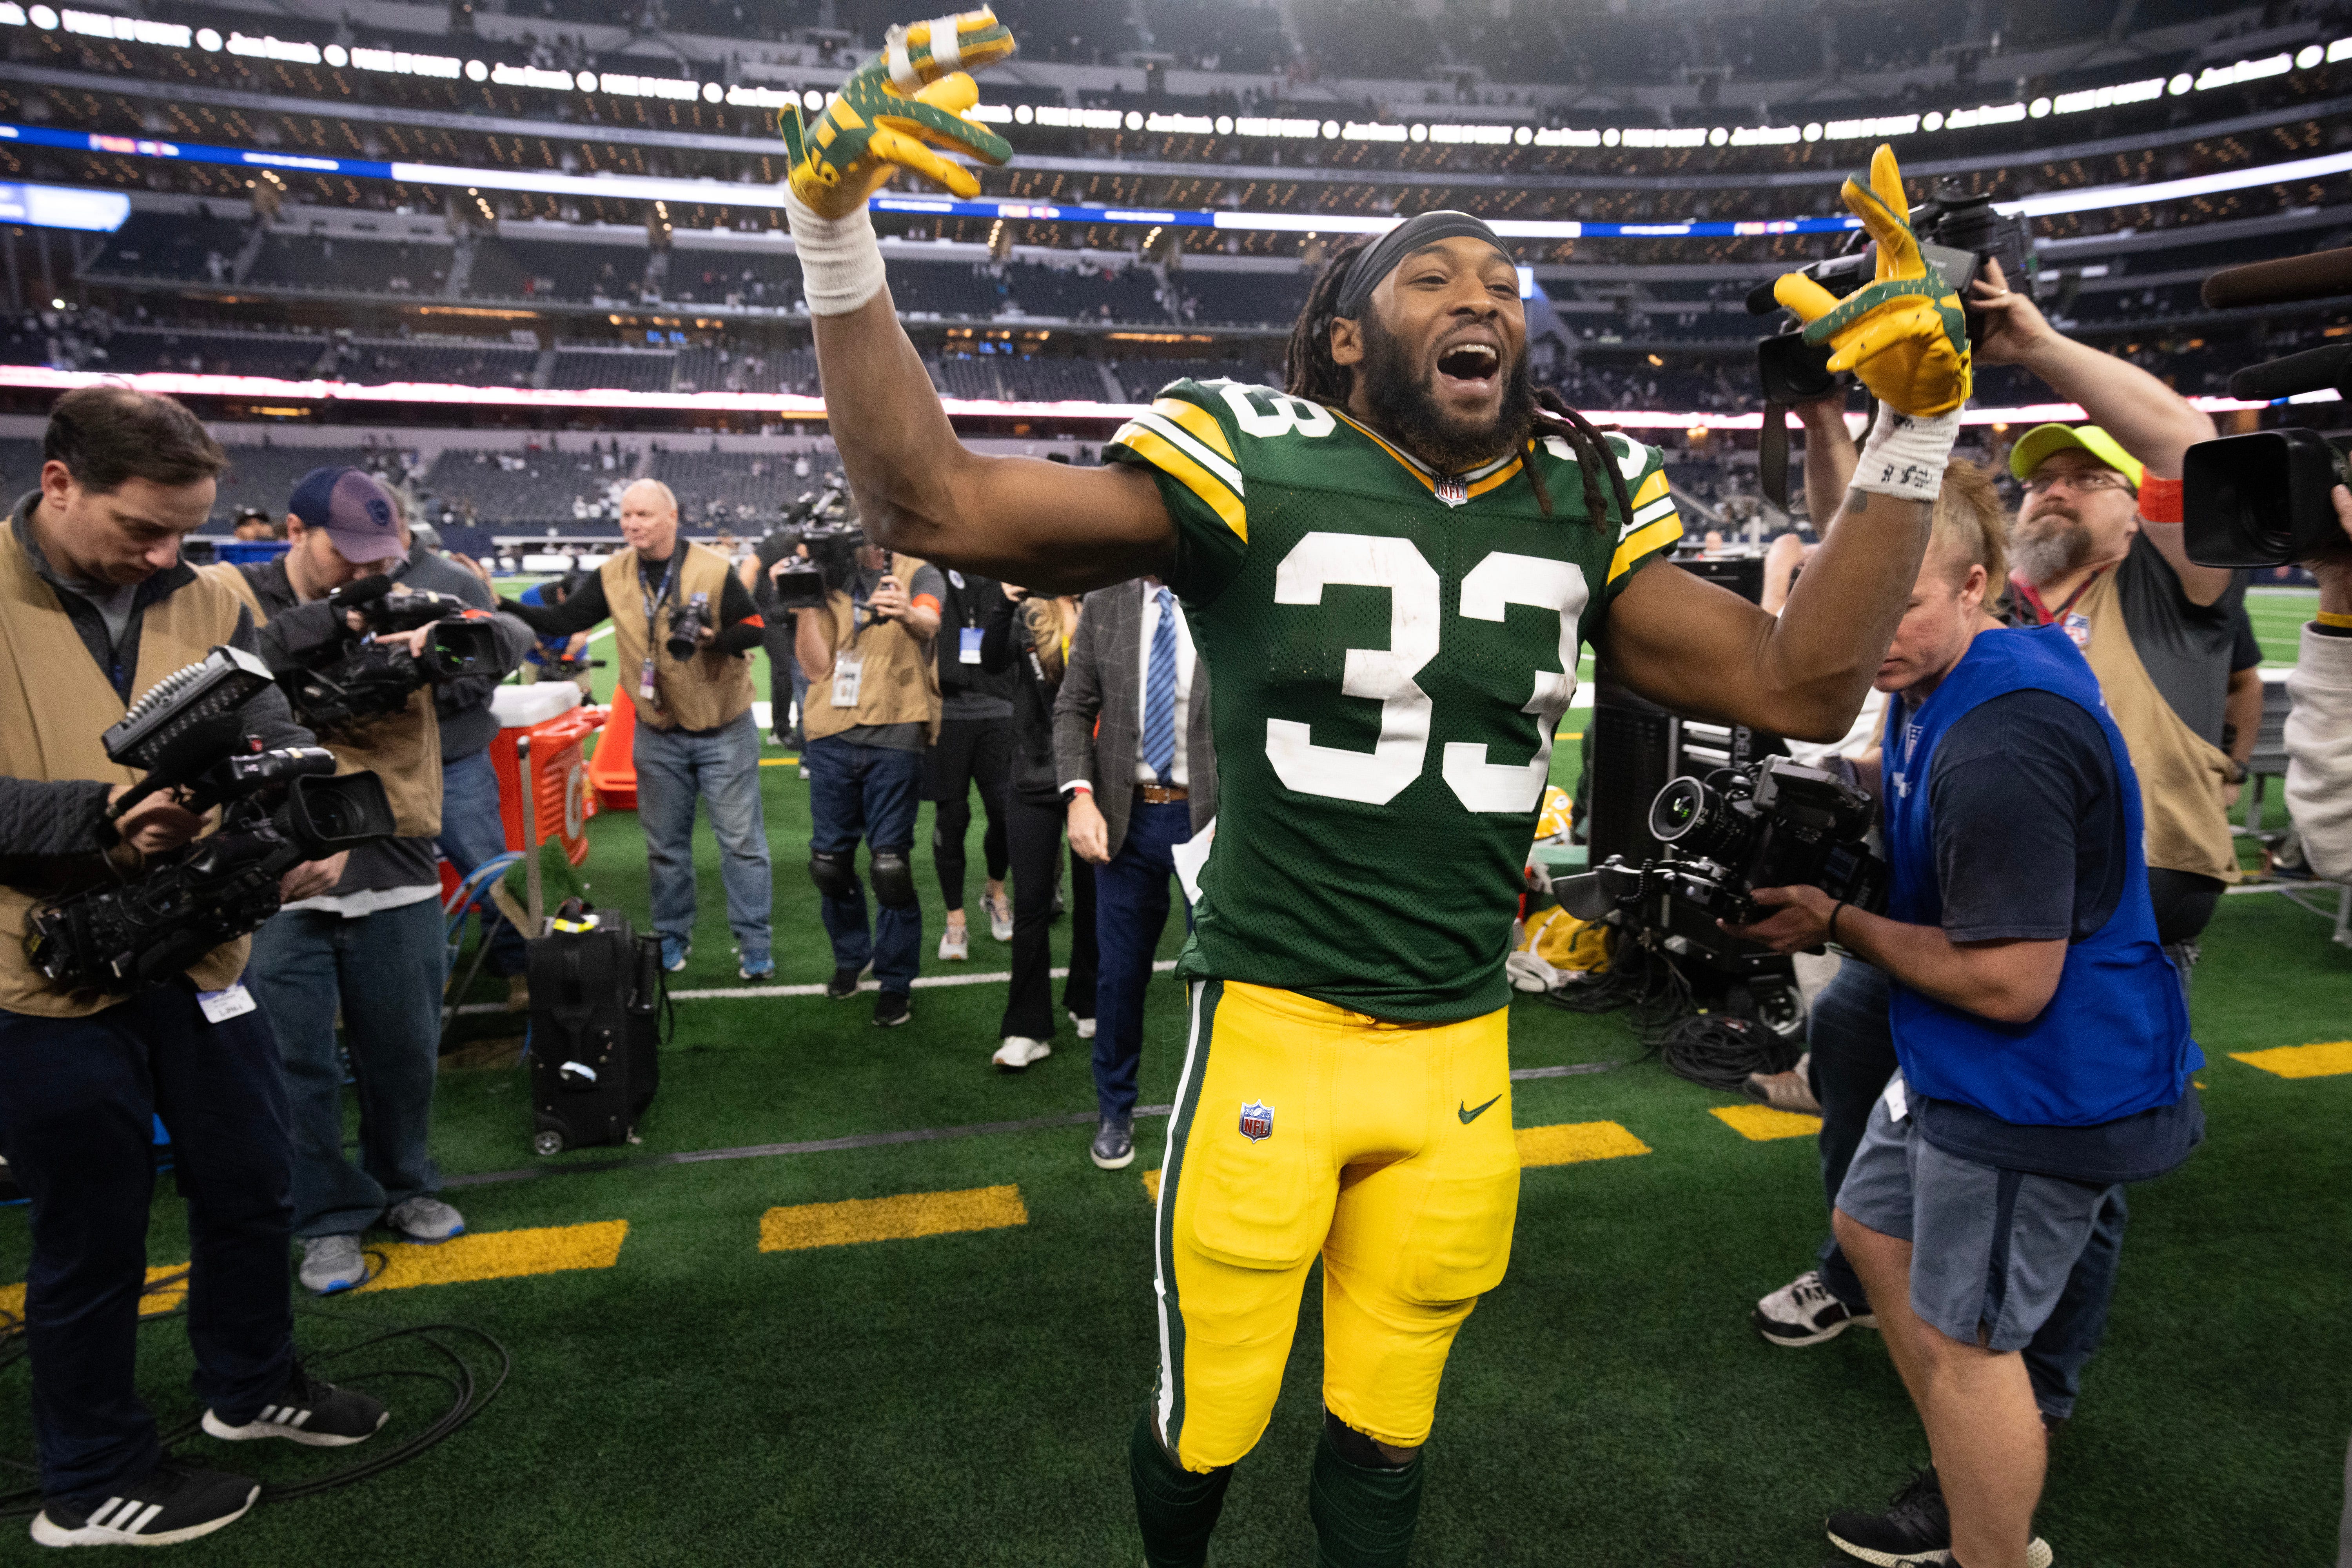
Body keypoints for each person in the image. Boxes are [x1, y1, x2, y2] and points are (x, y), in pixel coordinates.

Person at [782, 34, 1970, 1554]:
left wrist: (1914, 434)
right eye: (1430, 276)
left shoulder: (1578, 492)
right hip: (1278, 1025)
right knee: (1213, 1409)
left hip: (1460, 1047)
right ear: (1344, 339)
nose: (1478, 292)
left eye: (1498, 276)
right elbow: (932, 503)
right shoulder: (1251, 453)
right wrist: (833, 231)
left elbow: (1803, 685)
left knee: (1391, 1414)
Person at [1727, 463, 2202, 1568]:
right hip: (1970, 1060)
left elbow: (2011, 983)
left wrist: (1837, 918)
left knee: (1971, 1341)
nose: (1874, 630)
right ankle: (1969, 1455)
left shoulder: (2002, 738)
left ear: (1978, 586)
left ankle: (1990, 1546)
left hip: (2038, 1079)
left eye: (1905, 602)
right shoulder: (1937, 680)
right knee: (1869, 1228)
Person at [0, 388, 385, 1548]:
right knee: (92, 1230)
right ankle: (90, 1478)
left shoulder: (211, 590)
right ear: (59, 481)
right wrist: (109, 823)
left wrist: (297, 838)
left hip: (205, 948)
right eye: (142, 528)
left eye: (187, 530)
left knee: (250, 1179)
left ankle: (251, 1382)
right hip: (44, 972)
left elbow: (261, 738)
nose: (166, 554)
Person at [207, 467, 530, 1296]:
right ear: (294, 530)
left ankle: (407, 1182)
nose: (367, 572)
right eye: (346, 554)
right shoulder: (235, 595)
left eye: (379, 557)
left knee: (403, 1049)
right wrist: (333, 627)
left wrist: (433, 651)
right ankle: (323, 1215)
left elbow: (508, 641)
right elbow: (221, 683)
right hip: (281, 865)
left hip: (396, 852)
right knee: (295, 1057)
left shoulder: (423, 584)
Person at [1971, 260, 2246, 979]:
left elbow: (2187, 442)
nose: (2055, 492)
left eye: (2089, 479)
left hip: (2142, 866)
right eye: (2040, 482)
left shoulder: (2164, 582)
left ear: (2140, 513)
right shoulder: (2000, 597)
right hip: (2017, 859)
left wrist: (2035, 345)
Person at [504, 479, 775, 979]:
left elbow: (755, 628)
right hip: (658, 731)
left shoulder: (714, 569)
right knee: (664, 848)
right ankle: (672, 938)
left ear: (673, 517)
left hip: (722, 727)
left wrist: (715, 640)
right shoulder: (614, 574)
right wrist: (503, 606)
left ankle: (756, 943)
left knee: (741, 843)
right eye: (627, 515)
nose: (633, 524)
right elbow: (564, 618)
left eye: (644, 515)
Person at [1053, 573, 1215, 1169]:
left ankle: (1222, 1113)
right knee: (1119, 978)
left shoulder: (1225, 586)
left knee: (1225, 979)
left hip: (1213, 821)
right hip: (1126, 819)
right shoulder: (1105, 601)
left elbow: (1264, 706)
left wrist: (1244, 808)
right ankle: (1114, 1110)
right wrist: (1079, 795)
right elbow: (1074, 705)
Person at [791, 529, 944, 1026]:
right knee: (830, 862)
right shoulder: (826, 578)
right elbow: (816, 668)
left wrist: (906, 611)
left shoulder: (917, 570)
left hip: (896, 728)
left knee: (890, 865)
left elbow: (931, 620)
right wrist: (803, 601)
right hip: (831, 732)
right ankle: (851, 956)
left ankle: (896, 979)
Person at [398, 502, 541, 1008]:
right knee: (388, 884)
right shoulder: (340, 589)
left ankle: (518, 969)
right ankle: (406, 981)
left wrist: (434, 694)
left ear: (397, 524)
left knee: (489, 871)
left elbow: (494, 659)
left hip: (453, 752)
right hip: (375, 760)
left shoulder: (453, 580)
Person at [980, 580, 1096, 1069]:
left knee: (1095, 902)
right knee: (1030, 907)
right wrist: (1005, 599)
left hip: (1094, 779)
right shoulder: (1029, 612)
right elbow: (989, 660)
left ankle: (1088, 999)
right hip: (1033, 775)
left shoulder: (1106, 606)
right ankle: (1027, 1027)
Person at [925, 563, 1016, 961]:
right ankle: (955, 919)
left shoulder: (1005, 564)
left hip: (1000, 709)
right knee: (952, 817)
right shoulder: (935, 571)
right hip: (949, 712)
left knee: (1004, 814)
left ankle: (995, 890)